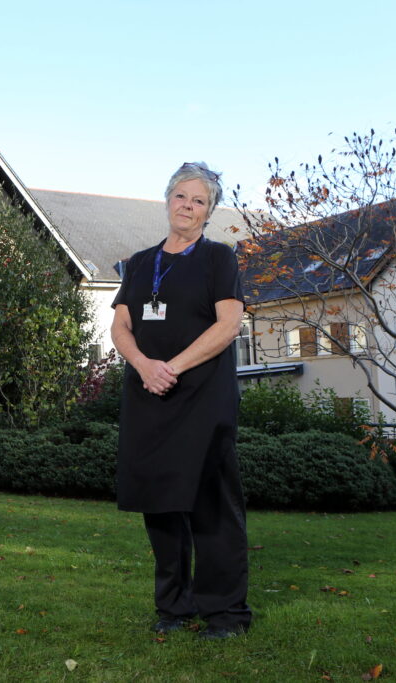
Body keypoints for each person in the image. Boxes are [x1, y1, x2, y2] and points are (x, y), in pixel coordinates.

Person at [110, 161, 252, 640]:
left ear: (208, 212)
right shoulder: (139, 261)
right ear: (167, 200)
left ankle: (226, 613)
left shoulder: (219, 259)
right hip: (148, 393)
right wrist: (145, 366)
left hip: (202, 397)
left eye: (199, 201)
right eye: (181, 196)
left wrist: (173, 366)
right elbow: (121, 326)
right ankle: (174, 606)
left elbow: (228, 325)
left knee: (211, 504)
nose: (187, 206)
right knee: (161, 505)